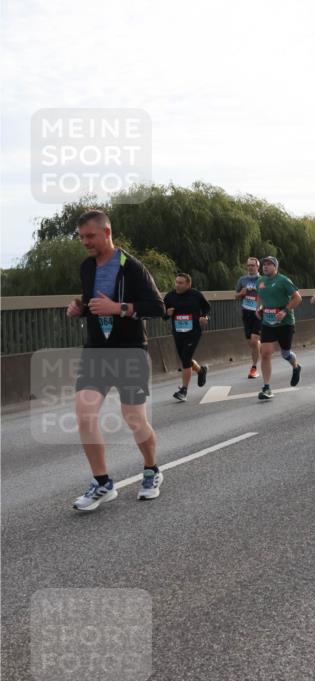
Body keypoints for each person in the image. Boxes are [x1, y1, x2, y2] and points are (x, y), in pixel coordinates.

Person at [66, 210, 166, 510]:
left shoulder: (132, 267)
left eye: (90, 236)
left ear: (107, 233)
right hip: (97, 351)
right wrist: (79, 308)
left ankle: (151, 470)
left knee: (134, 418)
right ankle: (102, 482)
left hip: (130, 350)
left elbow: (157, 307)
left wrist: (118, 307)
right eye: (82, 237)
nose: (85, 242)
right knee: (84, 414)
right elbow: (94, 303)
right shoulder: (87, 267)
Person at [256, 256, 302, 400]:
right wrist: (258, 308)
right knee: (265, 353)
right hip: (268, 322)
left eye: (269, 264)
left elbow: (297, 298)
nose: (266, 266)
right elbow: (260, 296)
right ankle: (267, 387)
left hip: (285, 322)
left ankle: (296, 366)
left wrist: (284, 311)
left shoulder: (283, 280)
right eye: (264, 264)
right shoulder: (260, 281)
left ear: (275, 267)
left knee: (285, 353)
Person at [163, 272, 210, 401]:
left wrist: (204, 317)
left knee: (186, 358)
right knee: (185, 359)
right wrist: (167, 313)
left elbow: (207, 308)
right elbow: (163, 314)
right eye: (176, 282)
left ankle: (184, 390)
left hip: (193, 332)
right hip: (178, 332)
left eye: (181, 283)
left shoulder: (196, 295)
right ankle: (201, 371)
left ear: (188, 284)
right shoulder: (170, 296)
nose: (177, 285)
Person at [235, 256, 262, 378]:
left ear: (258, 267)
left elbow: (268, 294)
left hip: (258, 313)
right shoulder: (242, 279)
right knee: (251, 343)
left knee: (253, 340)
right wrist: (242, 292)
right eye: (249, 265)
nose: (250, 267)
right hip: (246, 312)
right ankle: (258, 345)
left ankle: (254, 368)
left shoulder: (263, 280)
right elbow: (235, 295)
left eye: (253, 265)